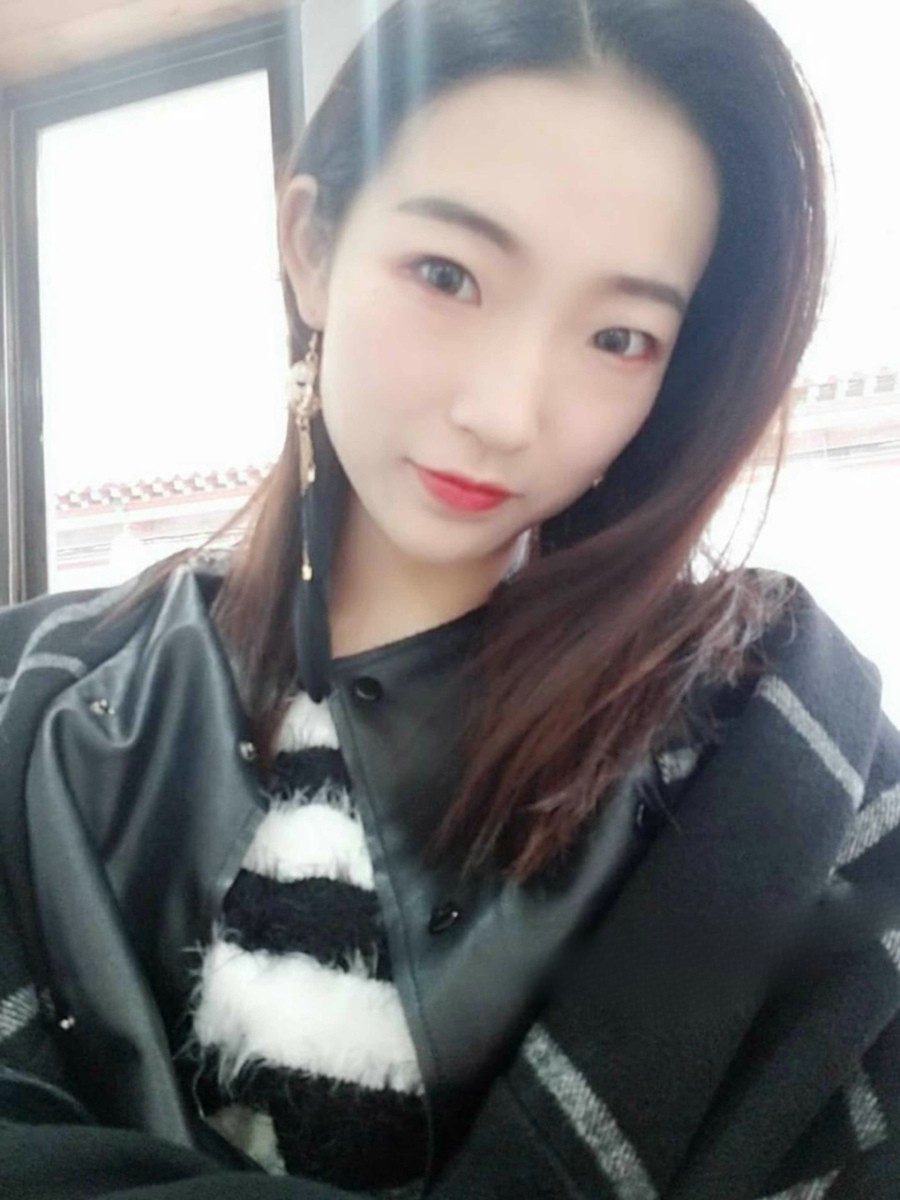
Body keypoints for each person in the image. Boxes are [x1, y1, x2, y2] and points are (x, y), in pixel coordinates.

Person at [1, 0, 899, 1196]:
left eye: (619, 337)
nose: (505, 410)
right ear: (313, 247)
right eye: (447, 273)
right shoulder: (43, 708)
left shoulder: (768, 756)